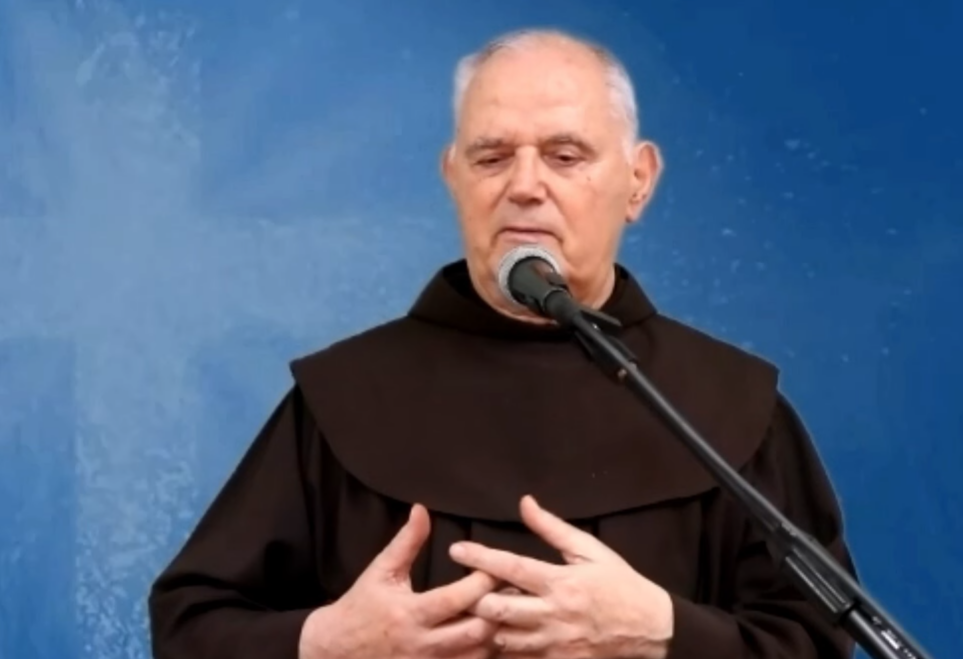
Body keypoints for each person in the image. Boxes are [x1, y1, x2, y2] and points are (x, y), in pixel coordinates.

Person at [148, 27, 857, 659]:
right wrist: (324, 645)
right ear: (453, 175)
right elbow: (189, 625)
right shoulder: (343, 399)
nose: (524, 186)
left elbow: (818, 636)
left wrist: (667, 632)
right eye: (491, 157)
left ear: (638, 181)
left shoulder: (727, 405)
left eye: (565, 155)